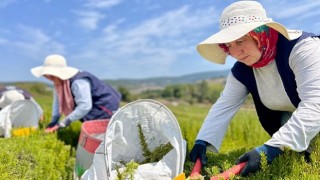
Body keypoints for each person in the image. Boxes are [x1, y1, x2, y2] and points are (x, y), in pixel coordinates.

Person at [189, 0, 320, 177]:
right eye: (228, 45)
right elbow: (224, 106)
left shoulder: (303, 49)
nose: (235, 53)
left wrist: (270, 149)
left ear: (260, 34)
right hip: (299, 128)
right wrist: (202, 142)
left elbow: (315, 105)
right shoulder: (242, 70)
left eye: (240, 41)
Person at [30, 54, 122, 132]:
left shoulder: (78, 82)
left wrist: (63, 123)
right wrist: (54, 121)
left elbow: (85, 106)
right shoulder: (58, 83)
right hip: (91, 106)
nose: (48, 77)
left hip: (104, 105)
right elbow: (57, 103)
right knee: (93, 131)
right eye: (46, 75)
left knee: (102, 132)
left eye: (50, 75)